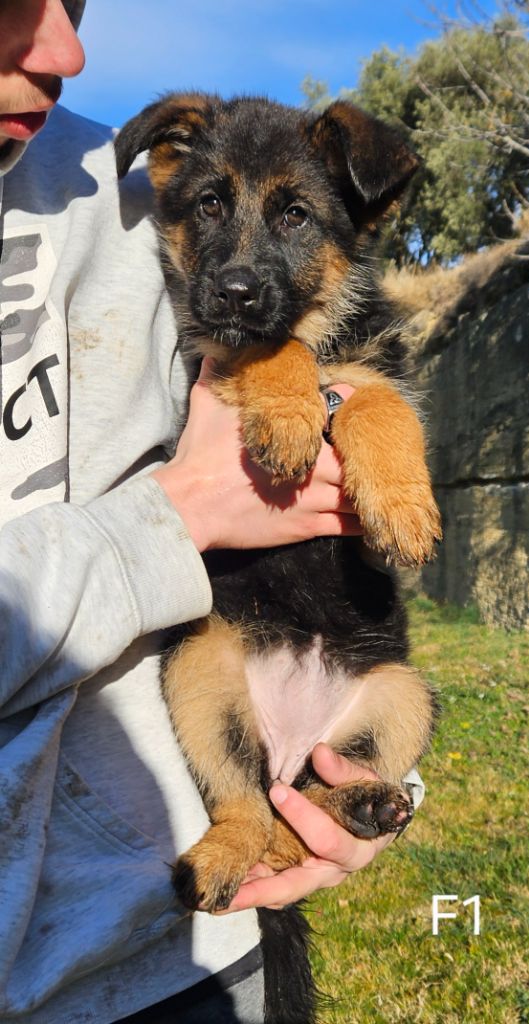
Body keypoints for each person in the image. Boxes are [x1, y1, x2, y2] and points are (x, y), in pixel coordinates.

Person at [0, 3, 424, 1022]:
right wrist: (169, 518)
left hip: (185, 947)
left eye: (80, 0)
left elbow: (335, 388)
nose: (66, 49)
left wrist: (363, 782)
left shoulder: (121, 190)